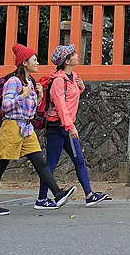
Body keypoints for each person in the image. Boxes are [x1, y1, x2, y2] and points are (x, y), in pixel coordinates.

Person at [0, 44, 76, 216]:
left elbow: (30, 110)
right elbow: (6, 105)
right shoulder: (13, 82)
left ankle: (58, 194)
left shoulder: (31, 82)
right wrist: (23, 95)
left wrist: (38, 97)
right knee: (1, 165)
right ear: (24, 63)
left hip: (26, 127)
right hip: (11, 126)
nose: (37, 63)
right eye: (34, 60)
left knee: (40, 162)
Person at [35, 45, 111, 208]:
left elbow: (70, 99)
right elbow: (61, 106)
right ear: (67, 61)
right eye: (74, 54)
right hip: (57, 127)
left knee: (79, 161)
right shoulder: (58, 81)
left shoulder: (73, 76)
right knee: (51, 164)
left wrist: (80, 87)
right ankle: (41, 199)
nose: (77, 55)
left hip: (67, 126)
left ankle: (89, 195)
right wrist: (70, 127)